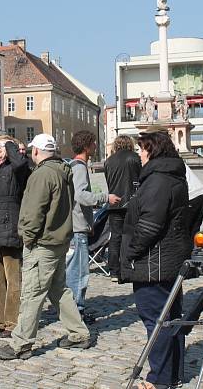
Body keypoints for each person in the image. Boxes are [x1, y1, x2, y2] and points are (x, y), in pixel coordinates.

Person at [0, 133, 91, 360]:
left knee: (32, 293)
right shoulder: (63, 170)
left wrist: (27, 236)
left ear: (35, 151)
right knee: (58, 290)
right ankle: (79, 333)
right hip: (58, 239)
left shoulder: (42, 174)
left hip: (43, 243)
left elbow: (34, 211)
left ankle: (21, 343)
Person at [121, 128, 192, 389]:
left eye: (142, 148)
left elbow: (150, 225)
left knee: (157, 320)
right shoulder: (168, 174)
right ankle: (172, 374)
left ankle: (160, 379)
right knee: (170, 318)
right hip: (166, 259)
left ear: (153, 149)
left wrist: (130, 251)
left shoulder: (159, 179)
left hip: (155, 261)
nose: (139, 153)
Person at [67, 130, 120, 322]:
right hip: (78, 227)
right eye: (94, 144)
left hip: (76, 225)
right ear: (87, 145)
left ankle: (74, 310)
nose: (96, 147)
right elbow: (80, 196)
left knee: (74, 271)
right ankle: (76, 313)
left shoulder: (73, 165)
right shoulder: (79, 167)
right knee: (79, 273)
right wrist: (106, 197)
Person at [0, 136, 30, 337]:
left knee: (13, 278)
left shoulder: (16, 167)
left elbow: (21, 166)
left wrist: (11, 147)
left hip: (10, 227)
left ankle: (12, 321)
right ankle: (0, 320)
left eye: (2, 146)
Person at [103, 135, 142, 282]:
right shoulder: (135, 158)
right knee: (130, 236)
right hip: (131, 202)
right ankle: (128, 268)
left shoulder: (109, 161)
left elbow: (109, 182)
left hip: (114, 203)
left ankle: (114, 271)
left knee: (115, 237)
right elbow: (140, 178)